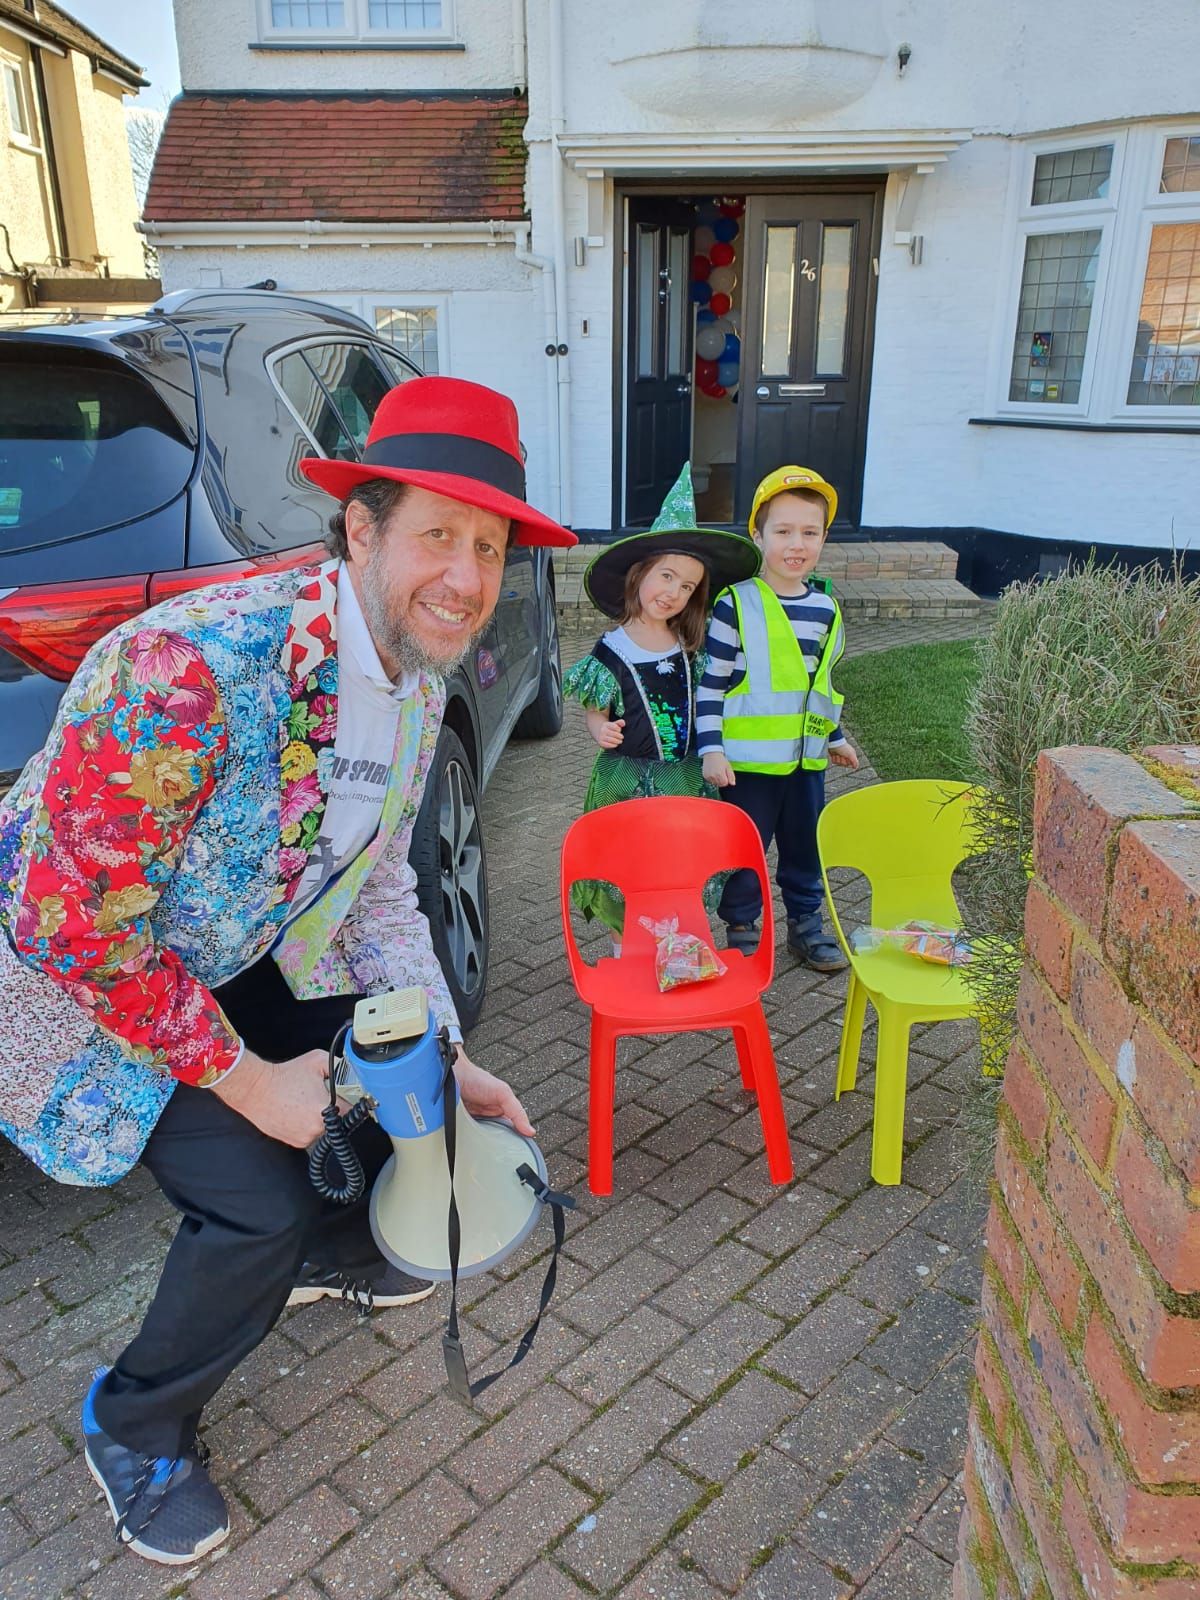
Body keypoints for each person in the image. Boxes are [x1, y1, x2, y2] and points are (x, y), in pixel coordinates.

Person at [0, 376, 575, 1564]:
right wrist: (250, 1080)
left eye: (488, 543)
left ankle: (330, 1253)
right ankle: (135, 1417)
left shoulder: (417, 676)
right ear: (360, 527)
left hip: (213, 947)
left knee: (391, 1053)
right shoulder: (186, 669)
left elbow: (377, 887)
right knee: (252, 1202)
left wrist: (454, 1059)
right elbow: (69, 931)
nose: (467, 578)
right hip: (74, 984)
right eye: (435, 535)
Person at [561, 463, 760, 941]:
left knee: (679, 860)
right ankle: (624, 944)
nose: (673, 592)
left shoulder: (691, 647)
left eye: (687, 586)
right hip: (626, 778)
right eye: (666, 576)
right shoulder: (613, 649)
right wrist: (597, 728)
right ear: (639, 575)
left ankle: (678, 936)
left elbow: (713, 694)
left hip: (684, 775)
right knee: (627, 866)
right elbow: (595, 703)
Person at [696, 465, 859, 970]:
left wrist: (834, 735)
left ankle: (806, 926)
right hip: (745, 767)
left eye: (810, 532)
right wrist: (711, 749)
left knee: (805, 849)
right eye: (783, 531)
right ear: (757, 534)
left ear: (824, 538)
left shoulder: (827, 608)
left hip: (806, 765)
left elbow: (819, 685)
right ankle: (741, 925)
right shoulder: (735, 605)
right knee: (744, 851)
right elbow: (712, 683)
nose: (797, 544)